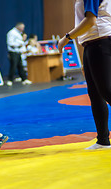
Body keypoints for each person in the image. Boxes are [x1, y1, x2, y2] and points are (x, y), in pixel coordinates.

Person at [58, 0, 111, 150]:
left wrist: (66, 38)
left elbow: (90, 21)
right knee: (95, 94)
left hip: (101, 42)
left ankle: (102, 140)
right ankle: (102, 140)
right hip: (92, 44)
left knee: (106, 90)